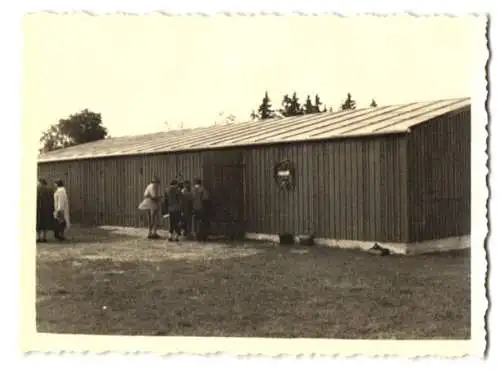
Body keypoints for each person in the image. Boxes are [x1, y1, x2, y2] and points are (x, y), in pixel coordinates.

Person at [36, 178, 54, 243]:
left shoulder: (36, 189)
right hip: (47, 209)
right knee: (45, 223)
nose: (37, 183)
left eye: (38, 182)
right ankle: (44, 237)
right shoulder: (50, 190)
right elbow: (52, 200)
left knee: (38, 223)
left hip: (38, 209)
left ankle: (38, 237)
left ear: (40, 182)